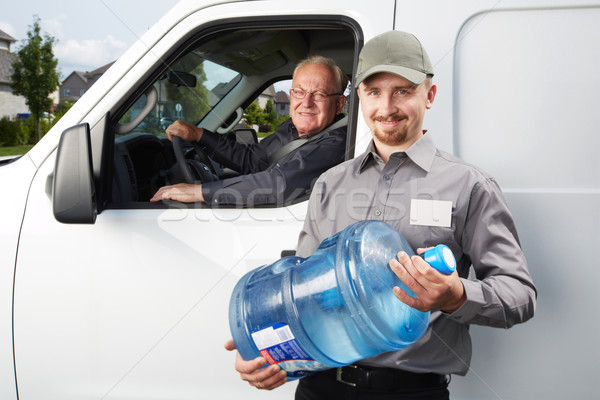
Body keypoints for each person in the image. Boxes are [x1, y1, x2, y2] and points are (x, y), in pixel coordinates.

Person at [224, 31, 537, 399]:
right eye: (373, 92)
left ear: (429, 95)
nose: (386, 107)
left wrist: (455, 295)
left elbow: (519, 295)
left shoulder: (469, 185)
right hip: (321, 388)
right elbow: (302, 291)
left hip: (409, 392)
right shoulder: (331, 183)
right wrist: (272, 357)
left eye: (402, 91)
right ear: (359, 97)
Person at [150, 55, 348, 206]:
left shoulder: (338, 143)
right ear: (291, 95)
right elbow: (252, 159)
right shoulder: (292, 128)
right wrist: (199, 135)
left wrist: (198, 192)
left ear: (339, 104)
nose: (306, 103)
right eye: (299, 92)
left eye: (319, 94)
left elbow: (278, 183)